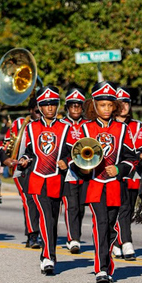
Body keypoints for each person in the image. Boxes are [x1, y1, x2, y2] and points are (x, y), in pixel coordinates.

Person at [77, 82, 137, 283]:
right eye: (101, 105)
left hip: (114, 184)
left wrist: (119, 169)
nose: (105, 109)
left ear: (115, 106)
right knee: (100, 224)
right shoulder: (85, 128)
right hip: (94, 183)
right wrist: (83, 167)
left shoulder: (122, 129)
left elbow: (132, 158)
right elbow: (73, 156)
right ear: (94, 106)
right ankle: (101, 269)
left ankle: (107, 262)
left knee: (111, 227)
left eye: (109, 105)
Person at [15, 87, 74, 275]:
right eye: (46, 104)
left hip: (57, 177)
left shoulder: (66, 127)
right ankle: (48, 256)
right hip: (38, 177)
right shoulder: (31, 128)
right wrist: (24, 159)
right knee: (46, 216)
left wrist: (67, 161)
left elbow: (76, 152)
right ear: (39, 107)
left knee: (53, 219)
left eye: (53, 104)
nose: (50, 108)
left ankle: (48, 253)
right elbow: (28, 151)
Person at [3, 105, 41, 249]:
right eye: (37, 110)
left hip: (42, 169)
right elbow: (4, 146)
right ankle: (32, 235)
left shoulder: (50, 124)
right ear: (31, 111)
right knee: (29, 200)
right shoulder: (19, 123)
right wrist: (6, 160)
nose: (40, 113)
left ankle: (43, 233)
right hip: (22, 169)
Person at [113, 87, 142, 261]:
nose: (124, 106)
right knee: (120, 209)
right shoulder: (111, 125)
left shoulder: (138, 125)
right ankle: (126, 242)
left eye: (127, 102)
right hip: (116, 174)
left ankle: (117, 241)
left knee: (128, 210)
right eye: (120, 102)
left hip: (134, 174)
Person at [61, 88, 87, 253]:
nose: (76, 109)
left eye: (78, 106)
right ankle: (73, 238)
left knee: (82, 206)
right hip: (68, 171)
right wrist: (65, 161)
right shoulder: (62, 125)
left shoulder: (87, 125)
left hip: (85, 171)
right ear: (67, 107)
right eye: (73, 106)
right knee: (72, 206)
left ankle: (77, 235)